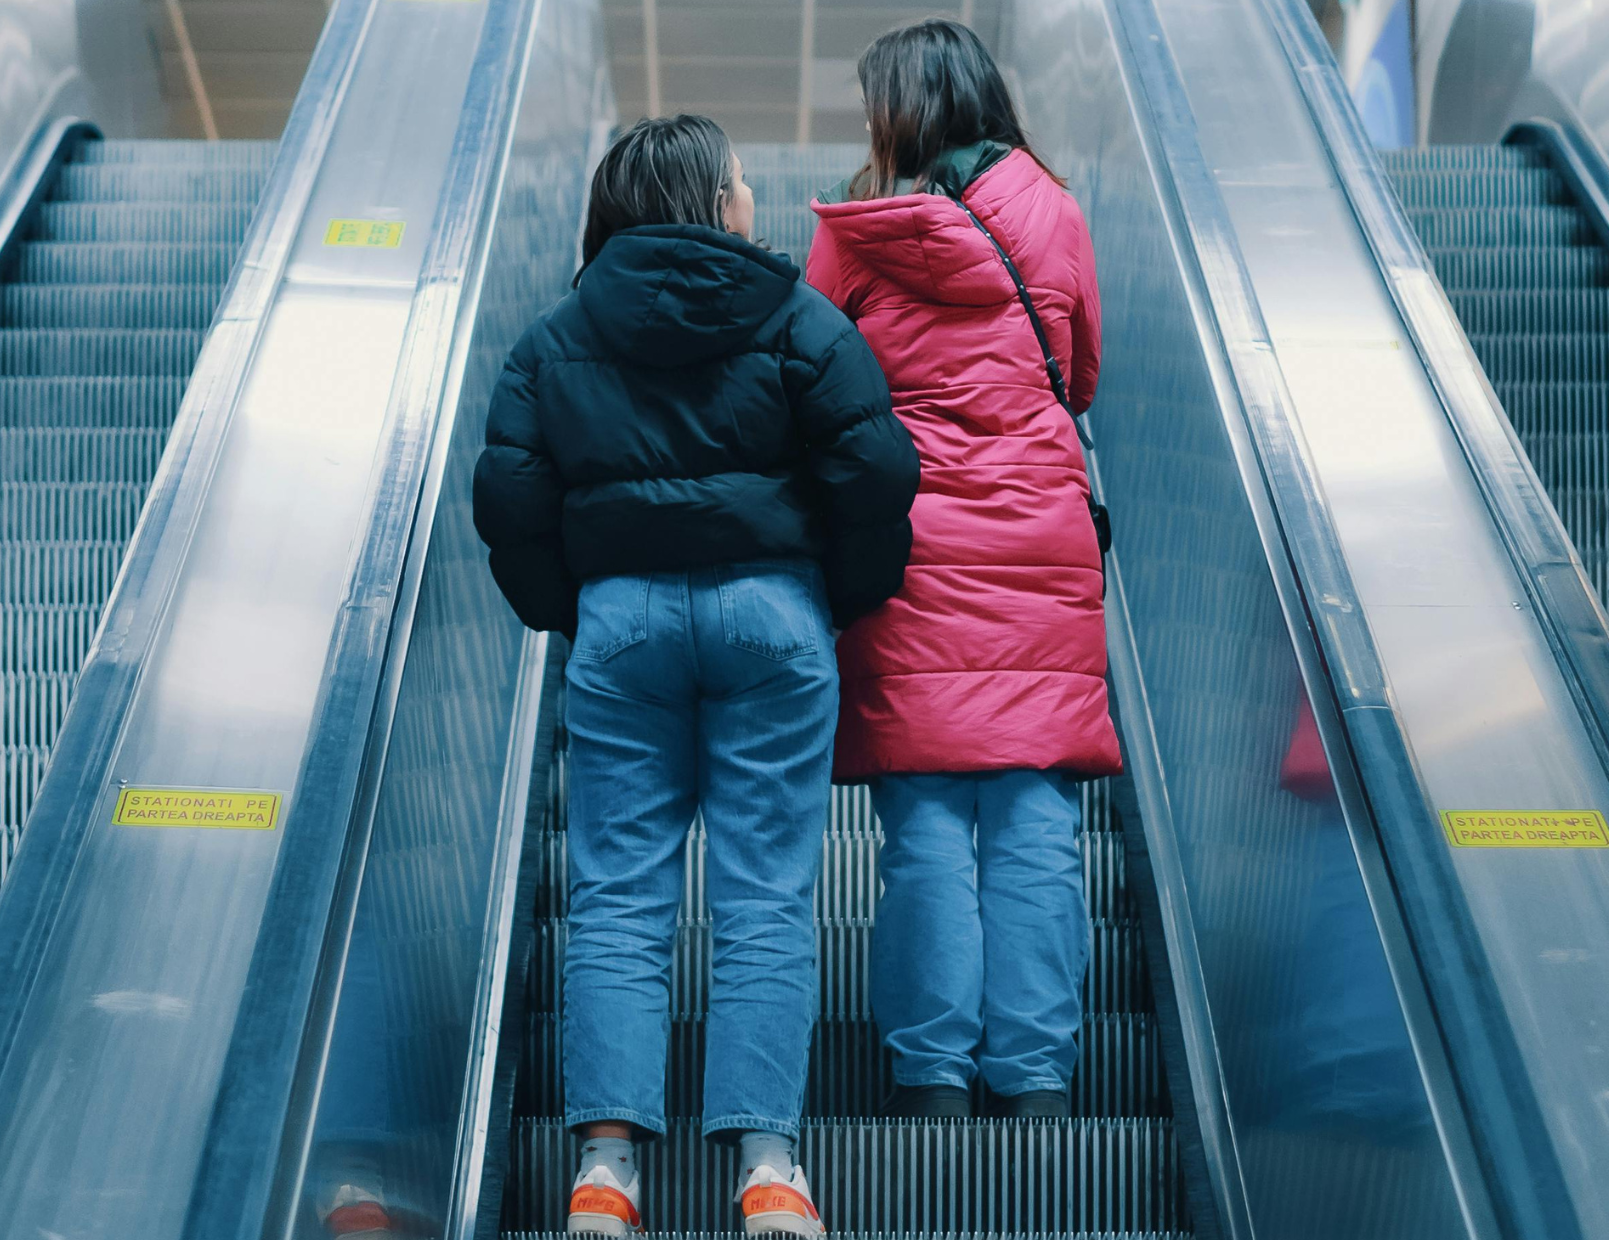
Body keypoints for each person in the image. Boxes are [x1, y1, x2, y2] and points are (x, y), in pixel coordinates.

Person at [474, 114, 919, 1236]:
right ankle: (768, 1174)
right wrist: (831, 598)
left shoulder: (555, 336)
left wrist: (576, 609)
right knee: (764, 893)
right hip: (773, 612)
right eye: (741, 180)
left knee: (618, 895)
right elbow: (875, 472)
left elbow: (509, 500)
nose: (751, 196)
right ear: (715, 203)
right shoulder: (799, 319)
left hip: (621, 622)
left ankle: (604, 1176)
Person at [805, 19, 1123, 1121]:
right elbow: (1078, 375)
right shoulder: (1056, 210)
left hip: (913, 547)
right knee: (1035, 818)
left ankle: (932, 1076)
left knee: (926, 826)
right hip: (1040, 539)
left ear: (898, 112)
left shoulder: (855, 236)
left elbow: (820, 391)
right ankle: (1034, 1080)